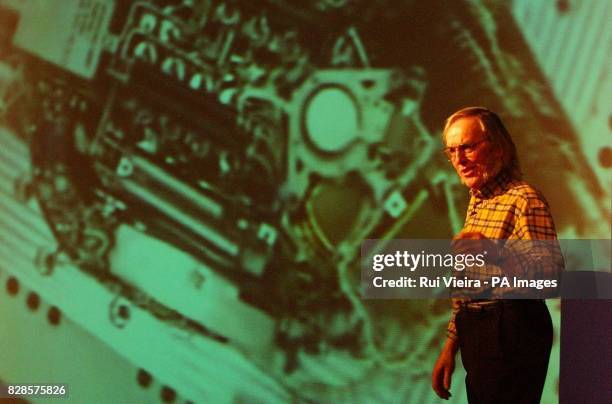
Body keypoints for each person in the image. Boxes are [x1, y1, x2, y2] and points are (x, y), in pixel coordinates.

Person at [431, 107, 563, 403]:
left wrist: (495, 254)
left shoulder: (524, 199)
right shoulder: (478, 201)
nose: (459, 160)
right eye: (451, 151)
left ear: (498, 147)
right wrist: (451, 345)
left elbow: (550, 276)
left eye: (468, 147)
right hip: (477, 329)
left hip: (510, 328)